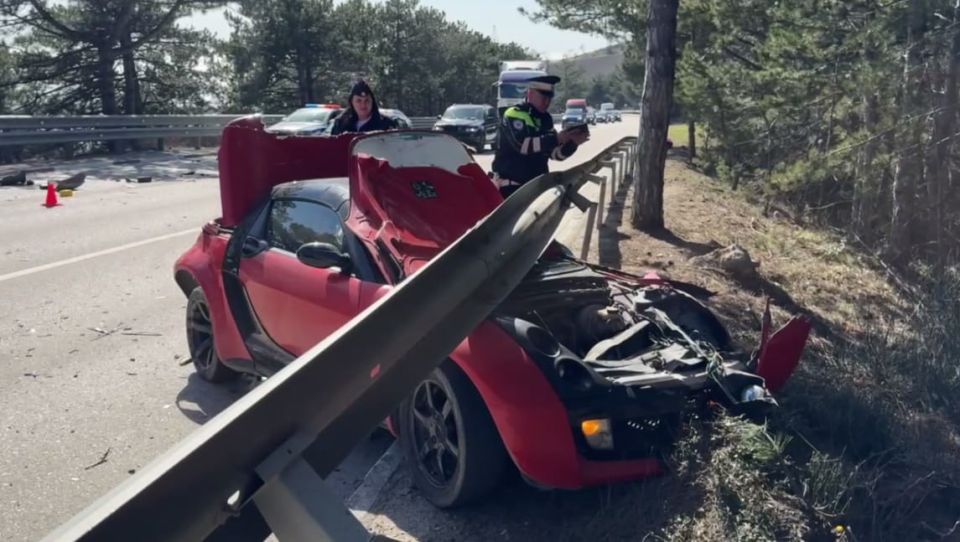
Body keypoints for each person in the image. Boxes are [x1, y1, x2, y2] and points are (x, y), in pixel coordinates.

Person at [491, 75, 590, 198]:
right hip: (512, 189)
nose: (547, 102)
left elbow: (554, 154)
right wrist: (557, 138)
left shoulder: (545, 119)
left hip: (537, 187)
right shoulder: (514, 114)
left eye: (549, 98)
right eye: (543, 97)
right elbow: (522, 146)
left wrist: (572, 143)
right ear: (531, 93)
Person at [329, 80, 398, 135]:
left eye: (367, 100)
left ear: (372, 102)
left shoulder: (385, 124)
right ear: (352, 102)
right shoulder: (341, 123)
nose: (363, 104)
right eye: (359, 101)